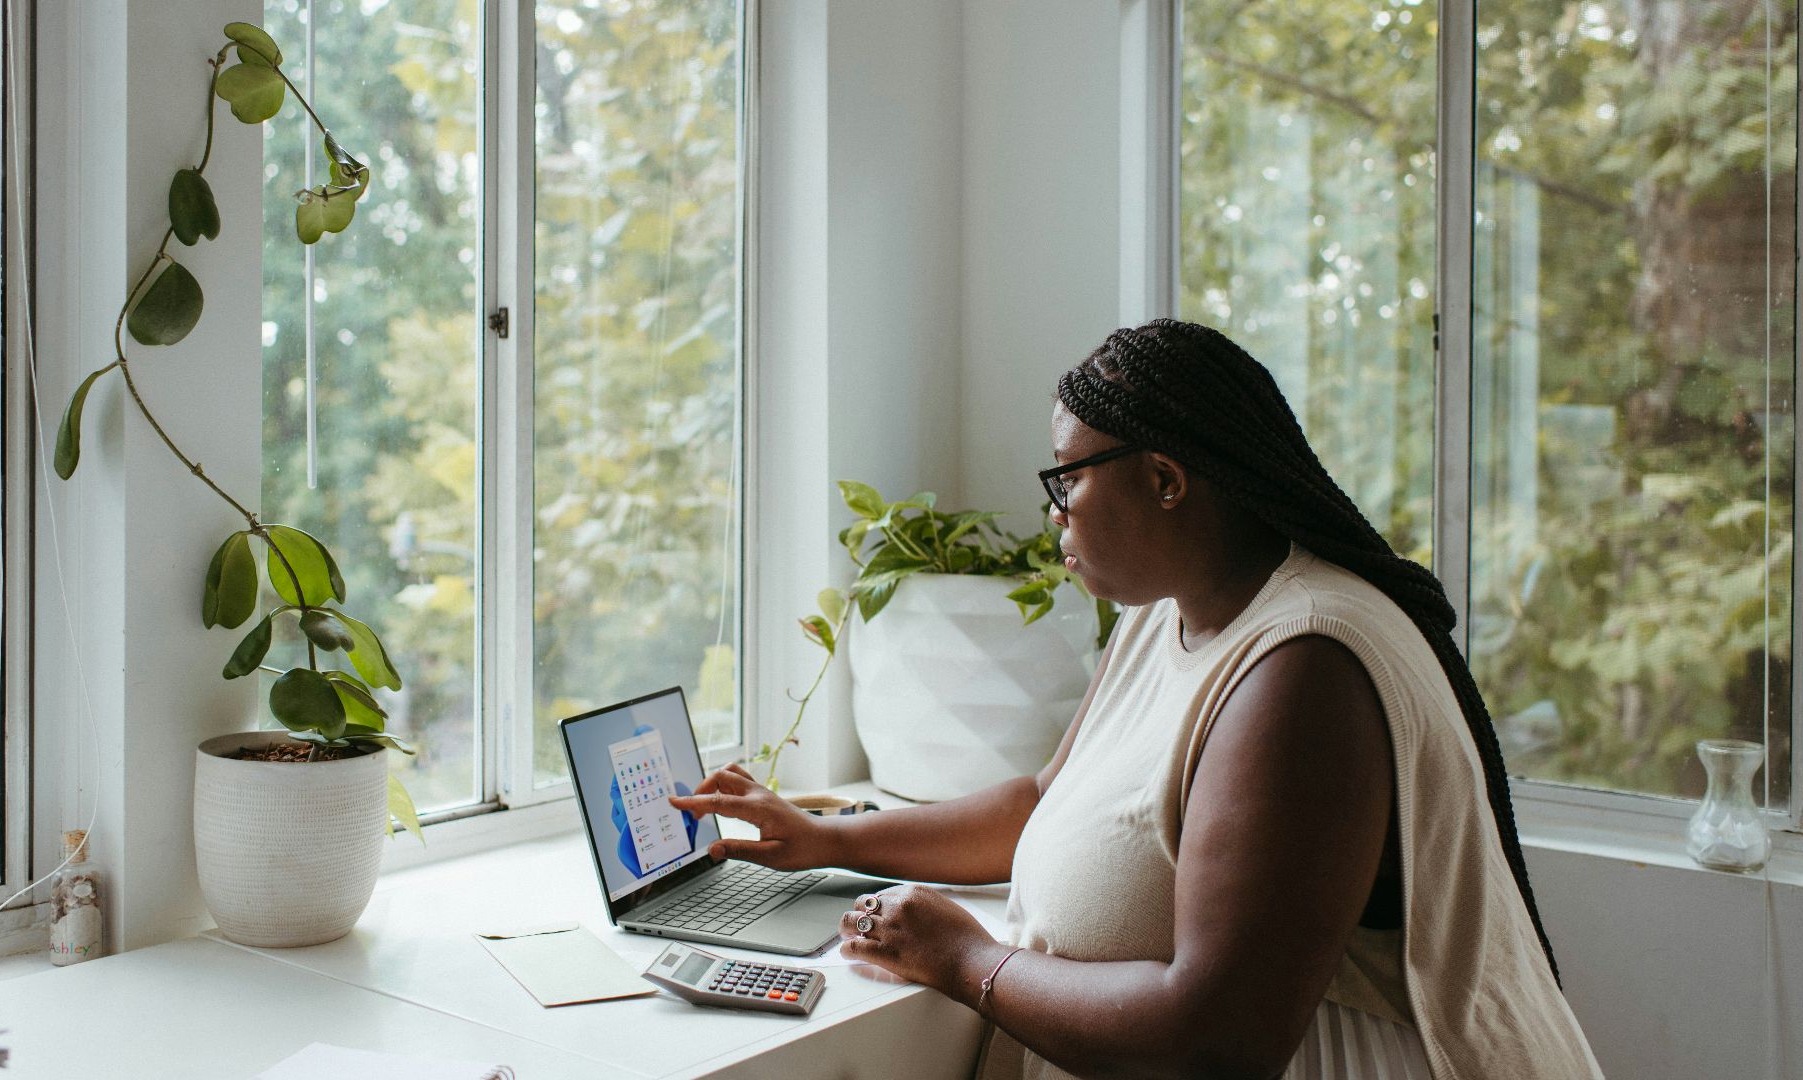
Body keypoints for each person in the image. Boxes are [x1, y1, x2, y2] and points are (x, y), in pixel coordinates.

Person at [671, 318, 1604, 1079]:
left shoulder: (1304, 669)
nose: (1054, 511)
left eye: (1067, 477)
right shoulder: (1174, 614)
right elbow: (1048, 800)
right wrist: (829, 838)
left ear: (1163, 478)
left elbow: (1218, 1038)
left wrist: (966, 961)